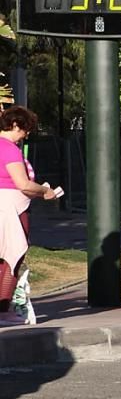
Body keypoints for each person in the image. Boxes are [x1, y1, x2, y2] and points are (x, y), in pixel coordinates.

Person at [0, 106, 59, 321]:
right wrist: (45, 191)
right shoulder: (9, 149)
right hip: (12, 208)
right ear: (16, 125)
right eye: (26, 130)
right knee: (13, 257)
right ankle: (3, 310)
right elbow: (23, 184)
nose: (26, 135)